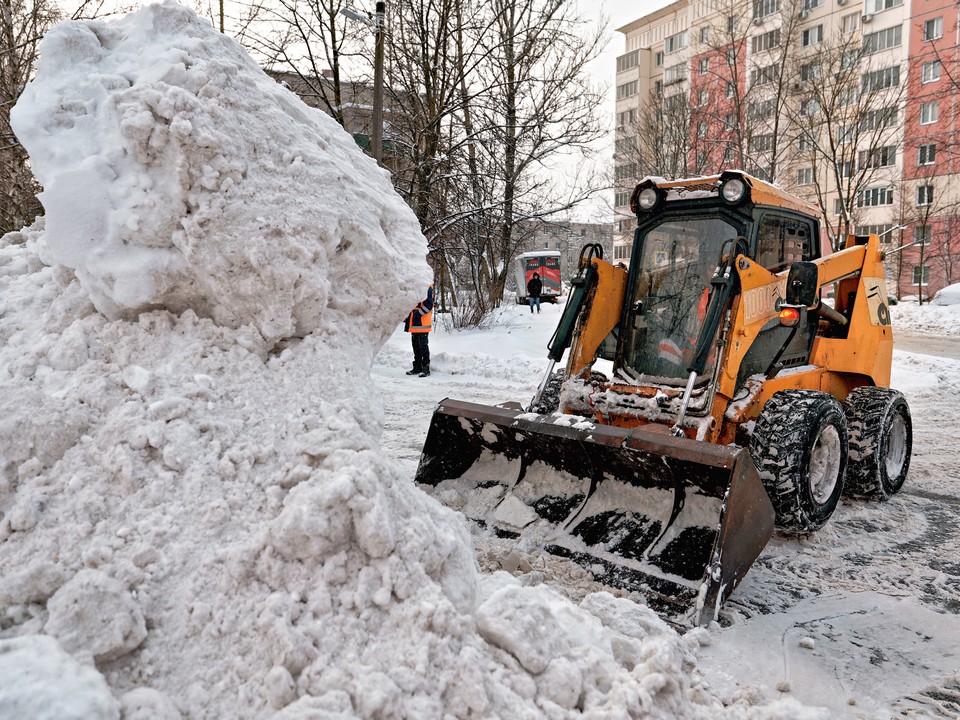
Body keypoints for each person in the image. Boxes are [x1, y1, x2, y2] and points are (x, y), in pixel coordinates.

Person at [404, 283, 434, 377]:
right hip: (414, 322)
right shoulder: (416, 286)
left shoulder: (427, 286)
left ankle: (426, 368)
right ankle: (417, 367)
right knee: (415, 346)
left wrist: (417, 314)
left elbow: (429, 305)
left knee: (423, 346)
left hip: (422, 322)